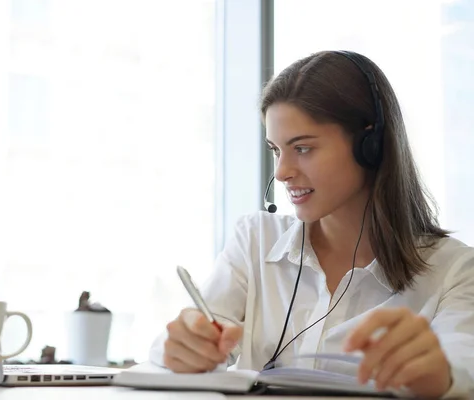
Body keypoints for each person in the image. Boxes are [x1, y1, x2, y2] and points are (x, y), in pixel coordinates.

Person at [147, 50, 474, 398]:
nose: (282, 172)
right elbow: (182, 348)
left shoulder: (454, 271)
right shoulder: (255, 241)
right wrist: (184, 348)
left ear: (370, 146)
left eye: (302, 148)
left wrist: (433, 375)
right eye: (276, 150)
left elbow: (463, 372)